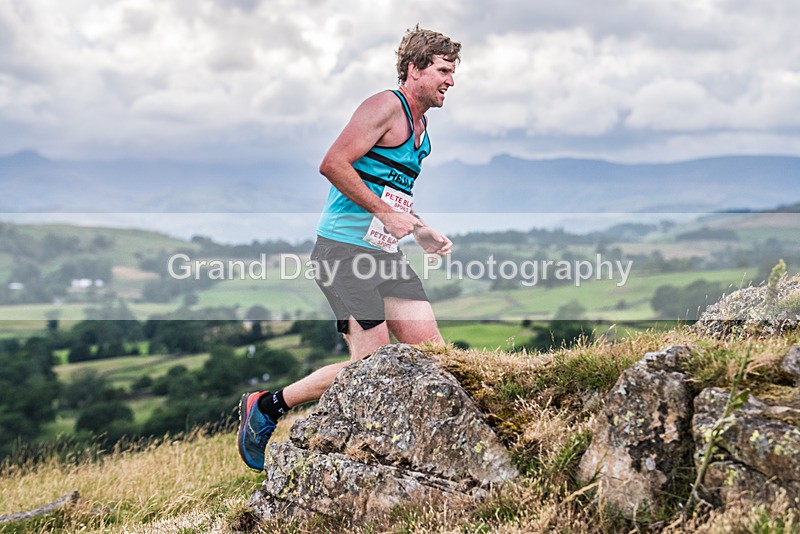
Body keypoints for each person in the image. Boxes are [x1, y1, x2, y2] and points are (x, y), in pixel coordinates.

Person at [237, 26, 461, 471]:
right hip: (343, 252)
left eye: (453, 72)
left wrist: (418, 229)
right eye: (442, 70)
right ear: (414, 69)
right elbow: (333, 163)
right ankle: (267, 406)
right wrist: (384, 213)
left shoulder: (423, 128)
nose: (450, 81)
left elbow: (389, 191)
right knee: (371, 367)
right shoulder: (384, 106)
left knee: (435, 356)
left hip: (383, 255)